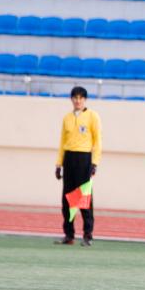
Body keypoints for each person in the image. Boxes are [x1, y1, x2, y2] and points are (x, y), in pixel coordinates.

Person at [54, 86, 101, 246]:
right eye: (75, 97)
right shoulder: (66, 118)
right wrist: (59, 164)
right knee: (67, 198)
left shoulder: (92, 116)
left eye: (81, 98)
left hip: (84, 158)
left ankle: (88, 235)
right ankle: (69, 235)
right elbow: (62, 142)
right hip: (69, 159)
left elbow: (98, 142)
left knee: (84, 198)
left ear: (85, 99)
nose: (77, 100)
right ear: (71, 99)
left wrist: (94, 163)